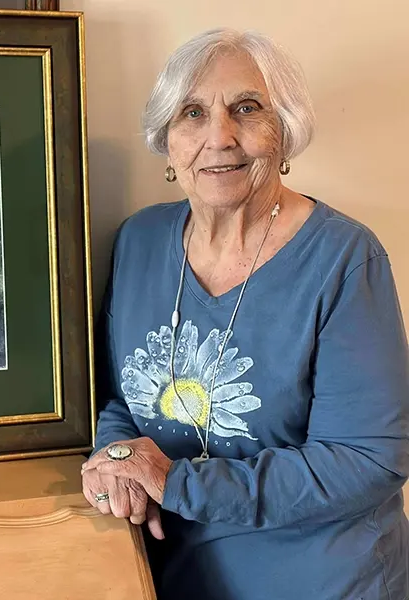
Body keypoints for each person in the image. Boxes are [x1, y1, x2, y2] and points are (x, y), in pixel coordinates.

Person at [80, 27, 409, 600]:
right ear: (168, 142)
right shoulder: (138, 241)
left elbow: (370, 459)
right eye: (193, 113)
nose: (220, 137)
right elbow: (115, 399)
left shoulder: (345, 258)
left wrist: (178, 482)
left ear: (284, 131)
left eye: (247, 108)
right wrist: (116, 459)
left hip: (321, 580)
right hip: (165, 571)